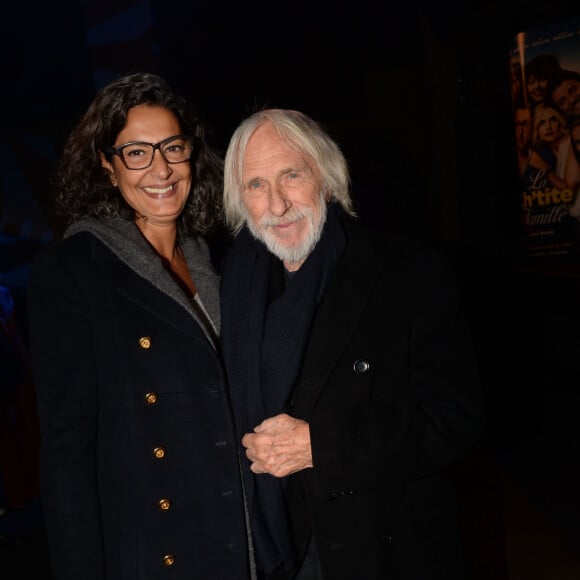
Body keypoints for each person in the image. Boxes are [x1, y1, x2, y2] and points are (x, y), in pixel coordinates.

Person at [220, 108, 485, 580]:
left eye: (291, 175)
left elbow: (455, 417)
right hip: (277, 548)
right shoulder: (237, 283)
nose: (276, 205)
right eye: (255, 185)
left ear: (326, 176)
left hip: (381, 547)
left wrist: (321, 444)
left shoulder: (408, 272)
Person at [27, 72, 252, 580]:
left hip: (238, 534)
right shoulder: (73, 271)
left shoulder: (216, 260)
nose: (161, 169)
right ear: (107, 167)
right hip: (159, 549)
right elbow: (67, 454)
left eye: (172, 147)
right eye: (137, 153)